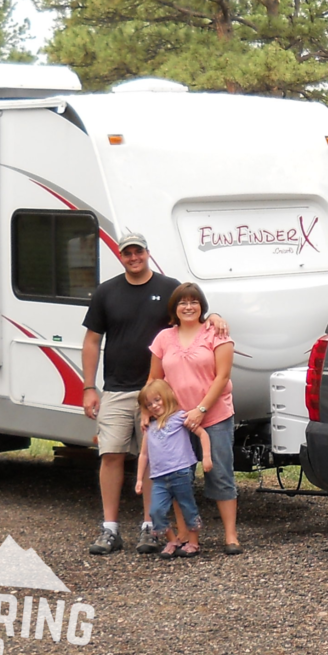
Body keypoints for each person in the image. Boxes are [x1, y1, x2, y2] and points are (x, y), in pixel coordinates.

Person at [81, 233, 228, 556]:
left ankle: (150, 527)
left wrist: (215, 316)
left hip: (160, 395)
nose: (133, 257)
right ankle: (110, 529)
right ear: (120, 256)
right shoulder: (107, 292)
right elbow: (92, 340)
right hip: (117, 389)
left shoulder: (167, 288)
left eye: (138, 251)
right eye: (127, 253)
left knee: (155, 461)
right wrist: (89, 387)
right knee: (111, 454)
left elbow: (194, 314)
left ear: (147, 252)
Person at [148, 282, 241, 555]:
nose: (188, 307)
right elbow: (155, 379)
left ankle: (231, 536)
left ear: (202, 306)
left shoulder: (216, 333)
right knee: (178, 478)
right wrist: (147, 412)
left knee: (221, 475)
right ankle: (187, 536)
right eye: (182, 302)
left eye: (193, 302)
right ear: (174, 309)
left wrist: (200, 409)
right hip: (175, 421)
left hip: (215, 415)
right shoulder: (164, 338)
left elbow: (222, 376)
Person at [135, 379, 211, 558]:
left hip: (181, 472)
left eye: (157, 400)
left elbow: (202, 434)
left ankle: (193, 542)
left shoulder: (180, 418)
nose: (154, 406)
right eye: (149, 404)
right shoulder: (149, 428)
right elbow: (144, 455)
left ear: (167, 397)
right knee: (156, 511)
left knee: (187, 507)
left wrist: (206, 457)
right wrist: (139, 479)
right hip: (159, 477)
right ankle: (172, 539)